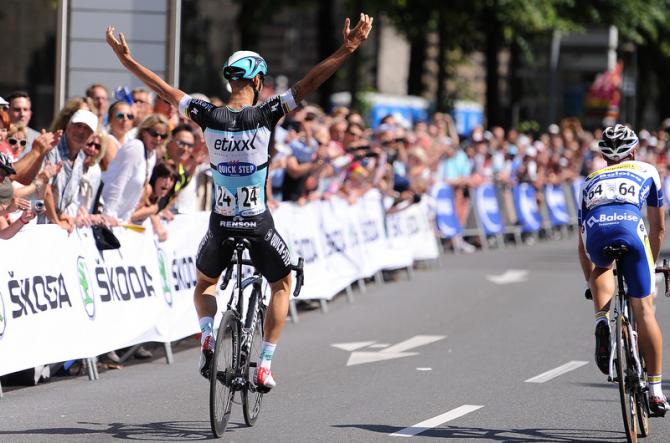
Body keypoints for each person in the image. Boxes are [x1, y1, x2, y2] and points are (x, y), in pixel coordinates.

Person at [106, 12, 374, 389]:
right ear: (258, 81)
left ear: (229, 80)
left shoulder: (207, 114)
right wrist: (348, 47)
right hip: (258, 222)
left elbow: (165, 90)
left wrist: (126, 60)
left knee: (204, 285)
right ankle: (264, 364)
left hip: (221, 222)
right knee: (282, 282)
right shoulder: (266, 114)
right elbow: (309, 82)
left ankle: (208, 336)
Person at [577, 124, 669, 417]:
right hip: (630, 227)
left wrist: (592, 285)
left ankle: (602, 321)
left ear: (603, 156)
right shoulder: (648, 170)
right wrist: (650, 265)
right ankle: (655, 391)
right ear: (634, 151)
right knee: (644, 310)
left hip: (597, 233)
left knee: (602, 265)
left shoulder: (589, 179)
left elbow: (582, 248)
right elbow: (659, 228)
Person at [101, 114, 169, 224]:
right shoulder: (136, 147)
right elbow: (118, 182)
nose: (158, 139)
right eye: (154, 134)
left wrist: (127, 218)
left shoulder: (152, 155)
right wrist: (107, 215)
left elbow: (138, 192)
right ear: (143, 132)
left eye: (163, 136)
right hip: (105, 211)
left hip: (120, 219)